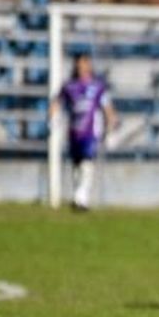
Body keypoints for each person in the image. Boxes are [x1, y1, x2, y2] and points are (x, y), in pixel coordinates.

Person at [51, 52, 118, 211]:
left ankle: (82, 197)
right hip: (74, 131)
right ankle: (77, 196)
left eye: (84, 63)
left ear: (89, 65)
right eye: (78, 64)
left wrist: (112, 129)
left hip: (91, 131)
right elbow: (56, 102)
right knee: (76, 165)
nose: (81, 67)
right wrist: (52, 120)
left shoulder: (97, 87)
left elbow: (107, 108)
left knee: (87, 163)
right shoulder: (69, 86)